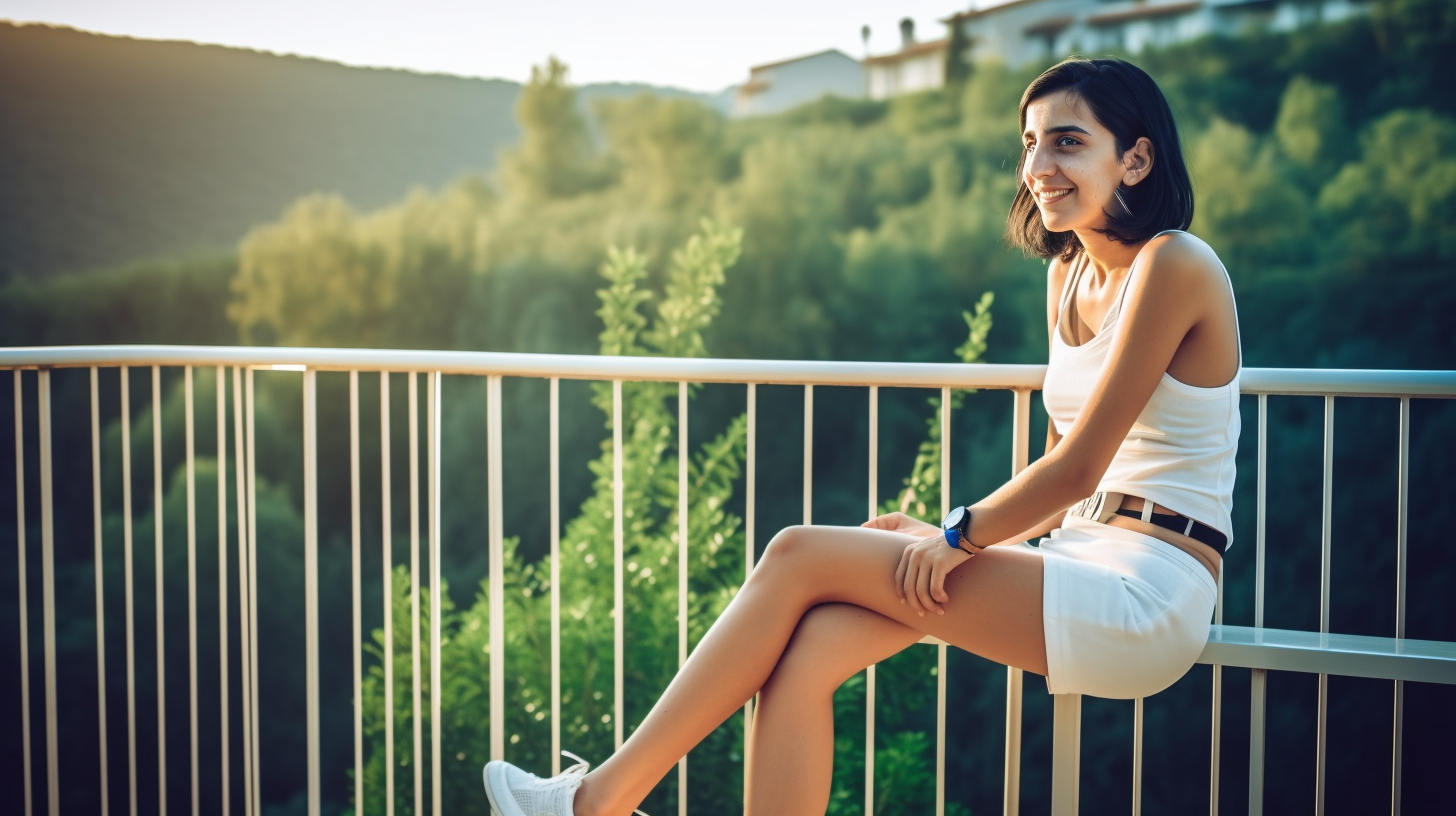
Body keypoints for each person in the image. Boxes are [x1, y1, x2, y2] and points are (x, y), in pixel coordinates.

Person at [482, 56, 1241, 816]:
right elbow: (1052, 467)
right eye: (1029, 143)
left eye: (1067, 143)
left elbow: (1078, 469)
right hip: (1074, 555)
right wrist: (948, 538)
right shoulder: (1067, 275)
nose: (1037, 166)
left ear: (1135, 157)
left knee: (796, 552)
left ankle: (595, 802)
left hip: (1152, 589)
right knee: (809, 652)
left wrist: (958, 537)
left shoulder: (1175, 264)